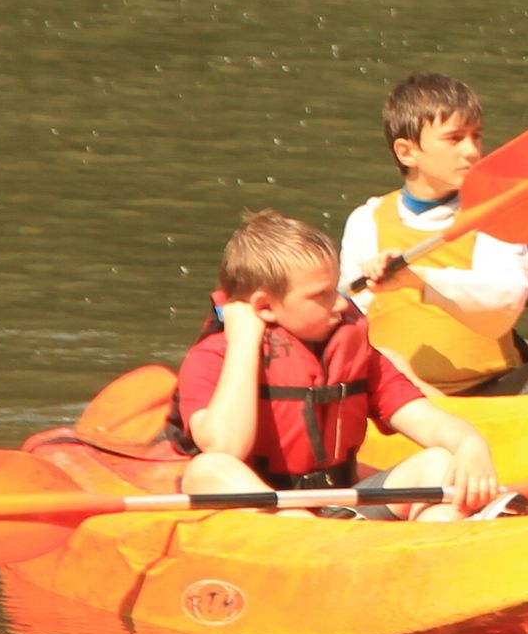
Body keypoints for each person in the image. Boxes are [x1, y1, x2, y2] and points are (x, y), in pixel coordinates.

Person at [176, 211, 504, 517]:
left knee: (441, 460)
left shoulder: (353, 352)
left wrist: (470, 444)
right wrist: (245, 340)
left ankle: (443, 546)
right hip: (271, 519)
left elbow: (427, 420)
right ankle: (304, 532)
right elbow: (225, 447)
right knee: (207, 470)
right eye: (321, 295)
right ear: (264, 307)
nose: (339, 303)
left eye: (336, 288)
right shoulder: (213, 357)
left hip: (342, 505)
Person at [339, 72, 528, 397]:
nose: (472, 151)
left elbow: (502, 307)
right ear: (407, 152)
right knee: (389, 358)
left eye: (476, 136)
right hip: (411, 397)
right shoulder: (367, 221)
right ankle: (442, 424)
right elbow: (346, 321)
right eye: (455, 139)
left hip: (496, 387)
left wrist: (421, 281)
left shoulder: (495, 213)